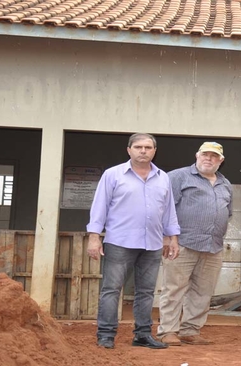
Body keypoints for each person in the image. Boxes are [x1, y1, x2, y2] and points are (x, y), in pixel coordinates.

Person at [87, 133, 181, 350]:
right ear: (129, 150)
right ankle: (106, 335)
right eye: (138, 146)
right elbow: (99, 206)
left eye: (148, 147)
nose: (143, 151)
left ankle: (142, 335)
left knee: (146, 291)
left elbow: (168, 210)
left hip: (153, 244)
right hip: (120, 241)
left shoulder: (163, 177)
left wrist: (171, 238)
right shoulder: (113, 175)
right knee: (112, 289)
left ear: (154, 151)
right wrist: (94, 237)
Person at [156, 141, 232, 346]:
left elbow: (228, 212)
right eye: (205, 154)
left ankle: (190, 330)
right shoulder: (178, 176)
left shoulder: (225, 184)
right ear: (197, 155)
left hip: (213, 246)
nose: (209, 158)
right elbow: (163, 208)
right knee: (174, 289)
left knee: (203, 291)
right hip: (181, 244)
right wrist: (166, 238)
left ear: (221, 161)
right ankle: (168, 331)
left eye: (214, 156)